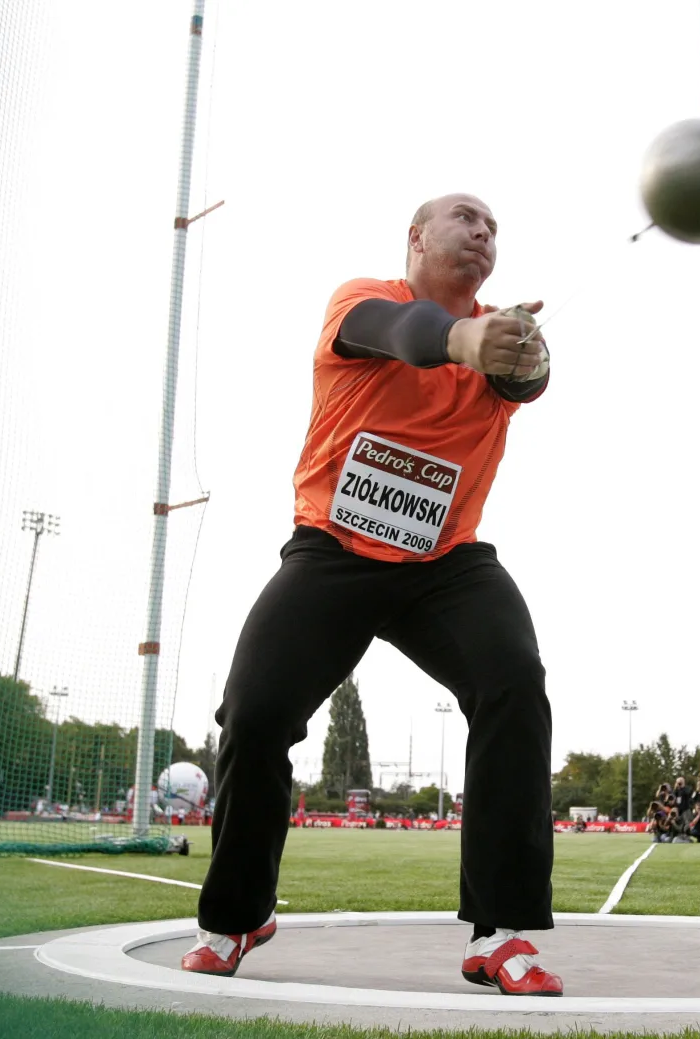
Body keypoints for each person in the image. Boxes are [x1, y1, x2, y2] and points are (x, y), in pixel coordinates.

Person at [182, 194, 561, 997]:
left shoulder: (504, 337)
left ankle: (502, 930)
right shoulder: (363, 302)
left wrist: (524, 359)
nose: (483, 230)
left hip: (445, 562)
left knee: (513, 679)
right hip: (335, 551)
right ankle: (239, 914)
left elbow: (526, 380)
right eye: (465, 217)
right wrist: (463, 337)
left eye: (493, 225)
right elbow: (404, 336)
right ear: (416, 237)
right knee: (252, 714)